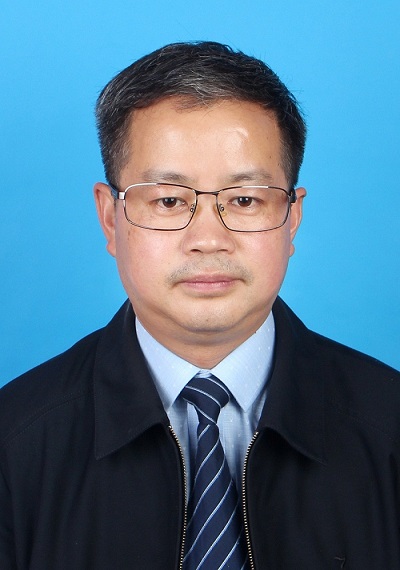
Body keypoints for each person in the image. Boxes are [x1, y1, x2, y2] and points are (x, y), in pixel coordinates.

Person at [0, 41, 399, 570]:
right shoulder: (14, 444)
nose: (208, 239)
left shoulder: (388, 427)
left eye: (245, 200)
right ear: (110, 218)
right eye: (169, 201)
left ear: (292, 219)